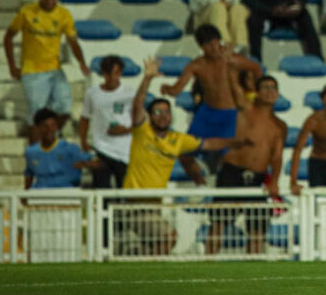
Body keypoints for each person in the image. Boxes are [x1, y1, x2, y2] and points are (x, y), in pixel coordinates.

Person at [113, 58, 251, 255]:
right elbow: (137, 105)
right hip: (134, 205)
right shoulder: (143, 132)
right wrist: (147, 79)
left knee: (154, 246)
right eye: (157, 112)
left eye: (166, 112)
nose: (162, 116)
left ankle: (137, 263)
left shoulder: (176, 139)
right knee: (169, 237)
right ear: (150, 116)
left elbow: (209, 143)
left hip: (155, 206)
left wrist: (237, 142)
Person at [206, 75, 286, 256]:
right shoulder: (245, 110)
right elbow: (234, 86)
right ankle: (207, 263)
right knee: (219, 222)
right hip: (232, 172)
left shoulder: (280, 126)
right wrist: (227, 63)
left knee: (257, 227)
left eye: (273, 87)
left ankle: (253, 269)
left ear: (278, 93)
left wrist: (274, 182)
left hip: (258, 177)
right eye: (265, 87)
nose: (269, 91)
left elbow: (277, 157)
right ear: (256, 93)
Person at [4, 0, 90, 134]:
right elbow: (8, 37)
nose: (50, 2)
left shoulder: (64, 14)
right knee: (37, 114)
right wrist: (12, 66)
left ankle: (50, 138)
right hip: (32, 71)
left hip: (55, 69)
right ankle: (34, 147)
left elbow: (73, 41)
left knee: (65, 109)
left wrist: (82, 62)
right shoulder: (27, 12)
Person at [161, 24, 262, 151]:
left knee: (226, 154)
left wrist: (254, 92)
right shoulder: (196, 65)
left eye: (216, 43)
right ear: (201, 47)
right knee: (186, 151)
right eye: (209, 45)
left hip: (231, 113)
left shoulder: (233, 59)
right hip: (207, 112)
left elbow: (256, 69)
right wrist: (166, 89)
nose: (215, 48)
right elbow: (177, 90)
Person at [78, 55, 135, 189]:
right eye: (108, 73)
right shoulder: (92, 93)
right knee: (101, 189)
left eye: (116, 73)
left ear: (120, 72)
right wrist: (83, 140)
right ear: (103, 73)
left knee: (125, 190)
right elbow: (85, 117)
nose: (112, 77)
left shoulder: (130, 93)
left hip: (124, 150)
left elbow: (139, 122)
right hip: (101, 148)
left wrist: (125, 130)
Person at [24, 108, 94, 189]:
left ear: (57, 127)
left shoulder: (70, 149)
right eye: (45, 126)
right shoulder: (31, 152)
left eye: (52, 125)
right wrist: (25, 196)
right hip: (41, 195)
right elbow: (29, 174)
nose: (49, 129)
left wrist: (86, 164)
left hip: (67, 195)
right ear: (37, 128)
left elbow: (96, 162)